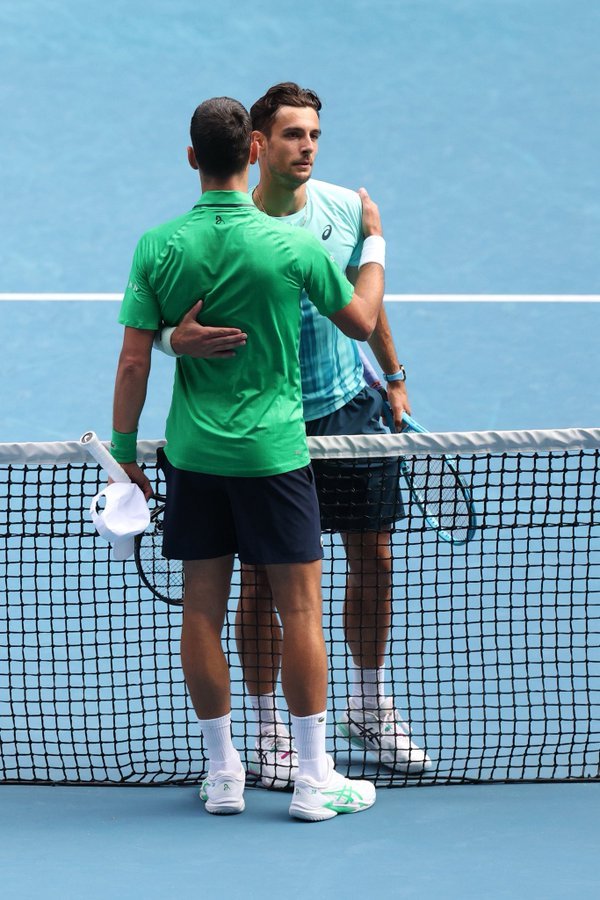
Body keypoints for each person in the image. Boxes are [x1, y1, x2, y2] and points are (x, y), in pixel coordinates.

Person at [110, 96, 387, 820]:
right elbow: (361, 321)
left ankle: (225, 774)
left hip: (194, 457)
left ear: (192, 157)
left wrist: (123, 454)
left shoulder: (157, 246)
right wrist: (375, 245)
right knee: (301, 612)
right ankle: (313, 780)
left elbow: (135, 363)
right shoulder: (292, 247)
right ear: (255, 152)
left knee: (201, 613)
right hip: (274, 456)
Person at [155, 83, 432, 789]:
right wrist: (172, 341)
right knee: (259, 583)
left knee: (374, 557)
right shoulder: (234, 225)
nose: (306, 147)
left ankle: (367, 704)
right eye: (291, 135)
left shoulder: (341, 209)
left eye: (313, 135)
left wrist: (394, 376)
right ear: (257, 145)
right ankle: (267, 728)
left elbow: (365, 303)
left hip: (344, 408)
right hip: (267, 427)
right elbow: (169, 320)